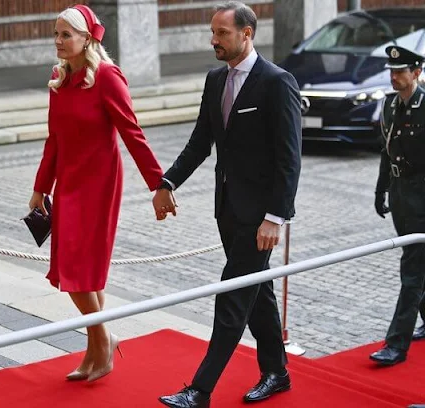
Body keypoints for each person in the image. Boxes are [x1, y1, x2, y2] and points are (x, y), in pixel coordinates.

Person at [155, 2, 302, 406]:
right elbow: (202, 140)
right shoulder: (214, 79)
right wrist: (168, 181)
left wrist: (275, 217)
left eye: (221, 33)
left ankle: (200, 390)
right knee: (258, 291)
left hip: (260, 217)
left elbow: (290, 159)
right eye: (213, 32)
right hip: (227, 209)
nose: (213, 40)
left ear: (247, 34)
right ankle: (277, 371)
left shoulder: (277, 82)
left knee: (233, 295)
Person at [28, 5, 163, 382]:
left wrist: (159, 184)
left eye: (65, 34)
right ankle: (98, 347)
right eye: (55, 34)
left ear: (87, 38)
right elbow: (53, 139)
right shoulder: (59, 77)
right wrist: (41, 187)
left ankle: (101, 343)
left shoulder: (106, 77)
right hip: (69, 181)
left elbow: (132, 133)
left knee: (76, 270)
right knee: (79, 271)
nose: (57, 41)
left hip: (99, 183)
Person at [370, 45, 425, 366]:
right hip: (400, 193)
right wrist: (381, 191)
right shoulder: (390, 105)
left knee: (413, 269)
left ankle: (396, 344)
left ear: (416, 72)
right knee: (417, 263)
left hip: (422, 194)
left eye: (400, 71)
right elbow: (385, 151)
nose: (394, 77)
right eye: (391, 72)